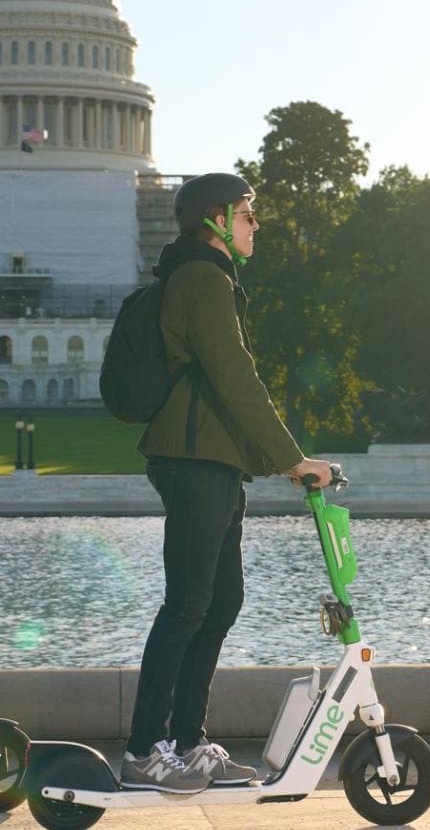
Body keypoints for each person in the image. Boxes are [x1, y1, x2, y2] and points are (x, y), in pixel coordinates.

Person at [120, 173, 335, 792]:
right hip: (191, 460)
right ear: (215, 219)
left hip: (213, 461)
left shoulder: (210, 279)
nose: (255, 224)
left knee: (221, 602)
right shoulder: (202, 280)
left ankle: (187, 744)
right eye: (247, 213)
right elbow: (235, 376)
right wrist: (294, 459)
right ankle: (142, 754)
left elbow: (231, 381)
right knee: (188, 602)